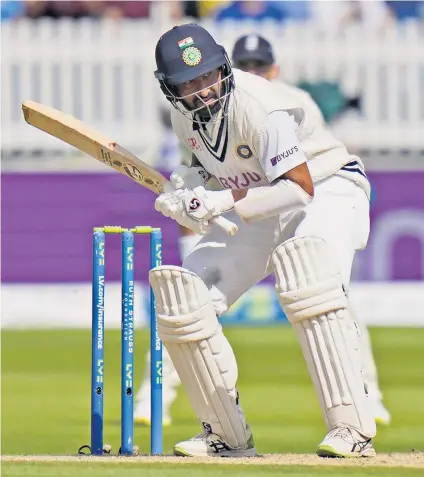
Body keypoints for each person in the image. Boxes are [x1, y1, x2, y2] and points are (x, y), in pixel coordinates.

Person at [134, 32, 391, 430]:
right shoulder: (182, 116)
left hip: (326, 187)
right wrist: (183, 194)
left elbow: (298, 187)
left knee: (312, 285)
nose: (203, 91)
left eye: (209, 77)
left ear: (224, 68)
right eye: (190, 83)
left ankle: (352, 428)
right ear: (170, 88)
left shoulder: (260, 109)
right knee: (187, 300)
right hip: (257, 199)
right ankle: (224, 432)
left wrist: (220, 202)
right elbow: (203, 171)